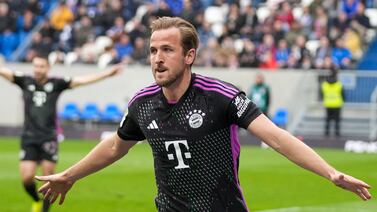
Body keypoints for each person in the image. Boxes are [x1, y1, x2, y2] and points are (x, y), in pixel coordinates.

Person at [35, 17, 371, 211]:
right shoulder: (142, 104)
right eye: (153, 50)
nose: (157, 58)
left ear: (189, 55)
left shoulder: (220, 97)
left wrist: (330, 173)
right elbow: (114, 147)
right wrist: (72, 175)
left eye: (167, 49)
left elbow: (278, 138)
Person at [0, 56, 123, 212]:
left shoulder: (56, 84)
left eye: (42, 66)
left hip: (49, 137)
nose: (38, 69)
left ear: (48, 68)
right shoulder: (25, 81)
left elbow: (82, 81)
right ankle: (36, 201)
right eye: (36, 66)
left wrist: (107, 74)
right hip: (29, 137)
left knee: (48, 178)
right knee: (26, 178)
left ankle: (44, 210)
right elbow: (4, 72)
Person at [321, 67, 345, 137]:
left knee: (328, 120)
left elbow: (322, 94)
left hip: (328, 104)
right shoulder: (339, 84)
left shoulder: (324, 84)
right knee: (337, 121)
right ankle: (337, 134)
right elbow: (343, 94)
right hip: (337, 104)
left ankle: (326, 134)